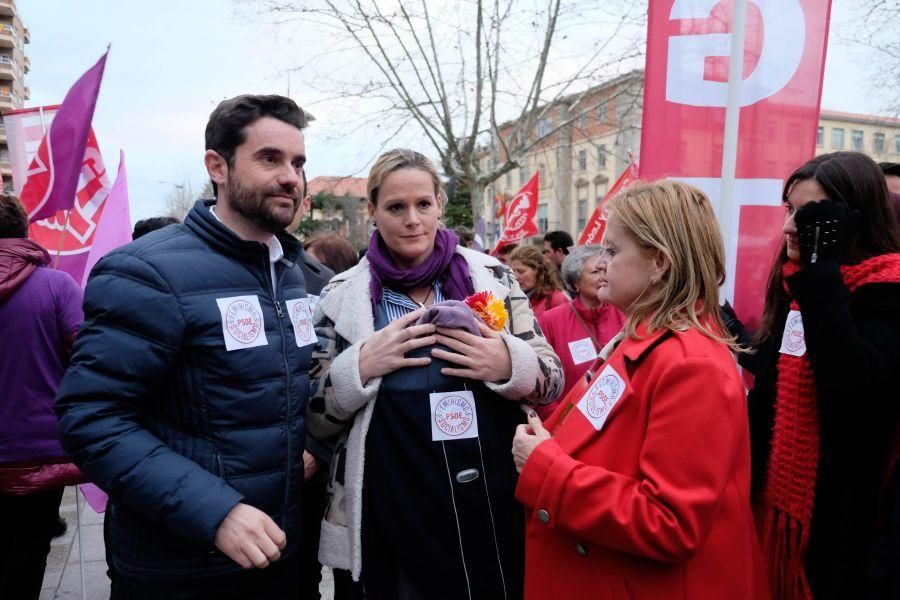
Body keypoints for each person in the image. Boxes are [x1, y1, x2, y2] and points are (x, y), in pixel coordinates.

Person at [55, 94, 333, 599]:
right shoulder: (146, 272)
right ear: (217, 166)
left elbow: (283, 394)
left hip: (279, 557)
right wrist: (215, 512)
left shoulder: (292, 274)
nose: (292, 177)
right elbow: (91, 418)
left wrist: (314, 444)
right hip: (181, 569)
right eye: (269, 158)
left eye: (298, 163)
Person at [307, 148, 563, 599]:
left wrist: (508, 363)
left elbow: (552, 379)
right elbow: (313, 417)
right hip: (391, 508)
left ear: (439, 204)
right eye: (396, 207)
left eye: (423, 204)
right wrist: (359, 368)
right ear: (372, 211)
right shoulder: (340, 297)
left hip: (490, 502)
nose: (413, 220)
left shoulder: (494, 278)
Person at [512, 180, 768, 599]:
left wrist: (545, 468)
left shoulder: (692, 364)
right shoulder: (643, 342)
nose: (600, 263)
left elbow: (670, 522)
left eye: (613, 250)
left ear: (659, 263)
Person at [724, 152, 900, 599]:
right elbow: (768, 389)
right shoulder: (795, 287)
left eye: (809, 215)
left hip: (848, 528)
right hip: (773, 511)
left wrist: (824, 269)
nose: (787, 228)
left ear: (852, 220)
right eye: (788, 210)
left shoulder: (887, 292)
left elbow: (853, 384)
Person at [0, 195, 84, 600]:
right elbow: (87, 360)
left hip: (31, 450)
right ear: (24, 230)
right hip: (38, 451)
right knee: (29, 554)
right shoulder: (56, 286)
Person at [535, 245, 625, 419]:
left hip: (617, 420)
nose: (603, 277)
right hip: (568, 422)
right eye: (595, 272)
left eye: (605, 270)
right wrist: (559, 420)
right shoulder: (551, 320)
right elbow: (541, 381)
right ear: (576, 282)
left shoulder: (625, 313)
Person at [509, 244, 568, 318]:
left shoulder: (556, 300)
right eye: (512, 271)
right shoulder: (508, 298)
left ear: (538, 271)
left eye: (521, 271)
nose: (516, 277)